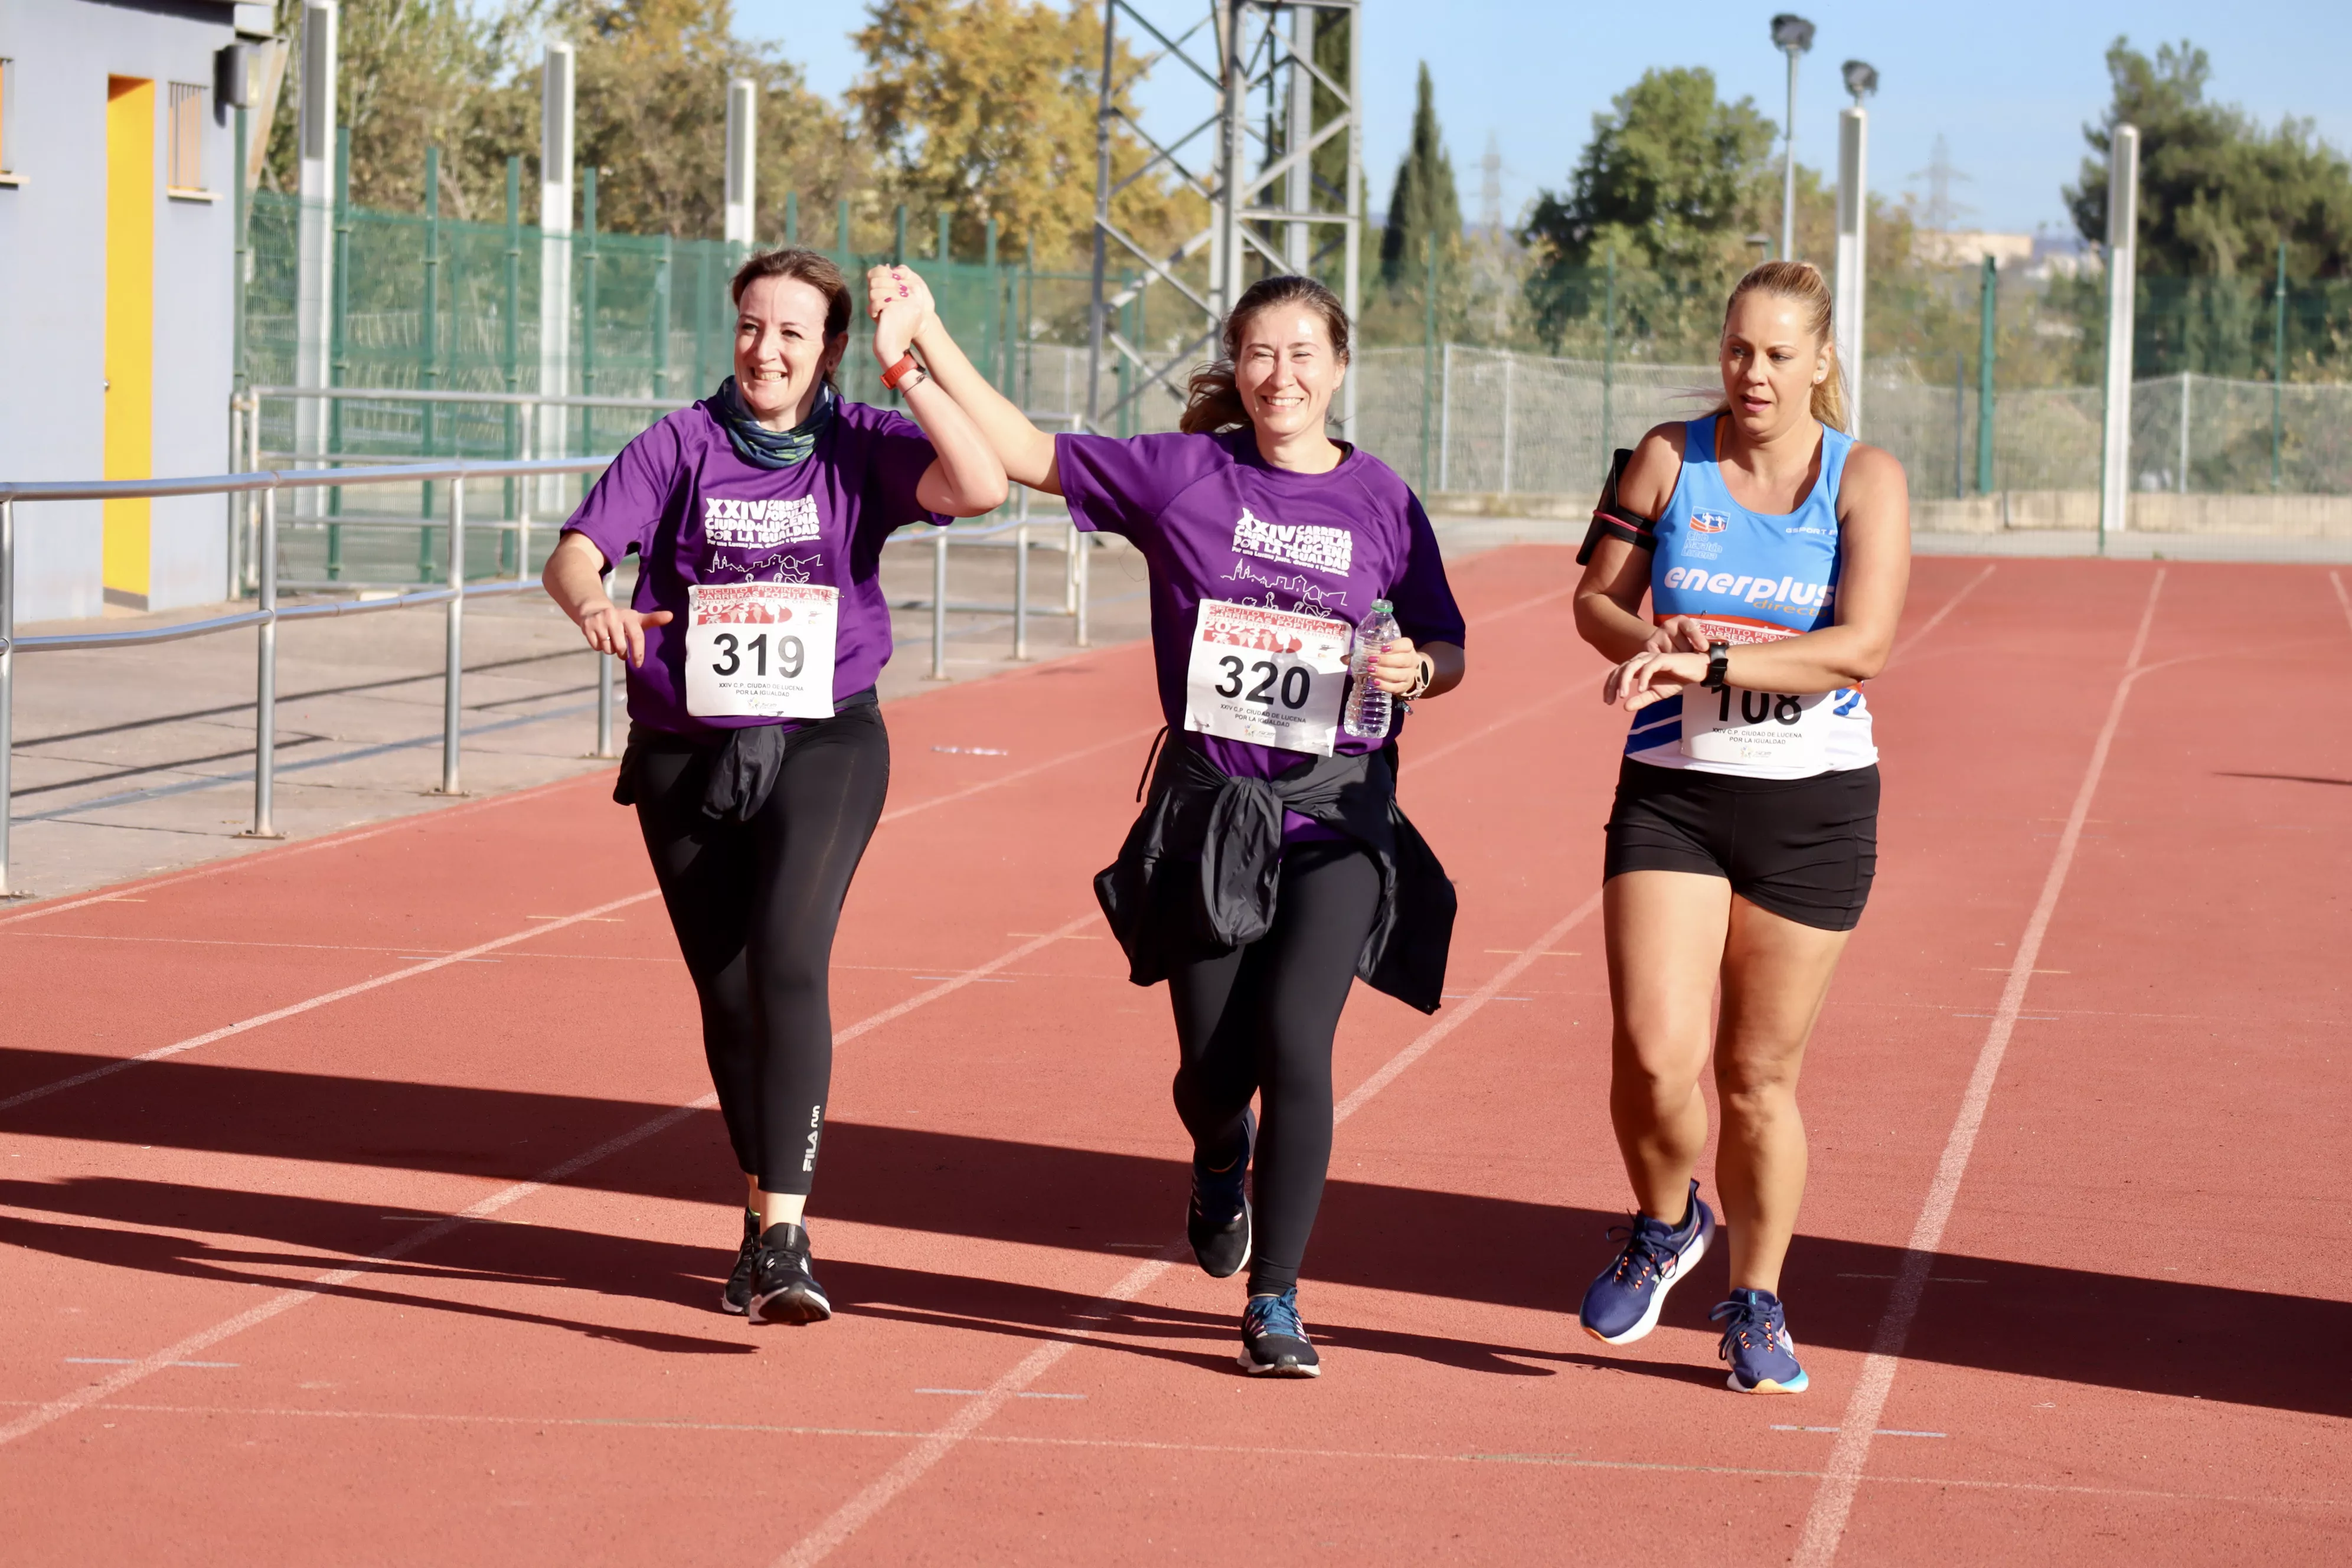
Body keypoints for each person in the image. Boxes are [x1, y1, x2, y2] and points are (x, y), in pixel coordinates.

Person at [883, 265, 1466, 1377]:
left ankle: (1278, 1301)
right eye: (1261, 353)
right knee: (1212, 1069)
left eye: (1304, 354)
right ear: (1236, 369)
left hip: (1339, 811)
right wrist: (929, 338)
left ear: (1339, 369)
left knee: (1298, 1043)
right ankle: (1217, 1153)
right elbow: (1021, 451)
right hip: (1210, 813)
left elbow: (1447, 640)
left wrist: (1418, 668)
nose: (1281, 374)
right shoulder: (1184, 474)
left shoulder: (1385, 498)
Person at [543, 249, 1007, 1326]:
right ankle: (759, 1221)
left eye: (794, 333)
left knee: (790, 959)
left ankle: (789, 1235)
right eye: (753, 327)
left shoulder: (864, 445)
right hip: (685, 747)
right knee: (730, 991)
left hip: (824, 741)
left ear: (830, 349)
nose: (767, 350)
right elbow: (574, 552)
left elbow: (981, 485)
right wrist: (593, 605)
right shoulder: (679, 444)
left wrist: (912, 373)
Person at [1570, 260, 1910, 1393]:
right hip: (1676, 787)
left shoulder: (1865, 480)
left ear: (1820, 362)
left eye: (1775, 354)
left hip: (1812, 804)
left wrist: (1715, 656)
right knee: (1653, 1056)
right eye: (1735, 350)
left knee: (1757, 1077)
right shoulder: (1668, 455)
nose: (1752, 373)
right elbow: (1595, 604)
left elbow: (1860, 647)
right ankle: (1667, 1222)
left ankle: (1758, 1303)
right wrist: (1647, 648)